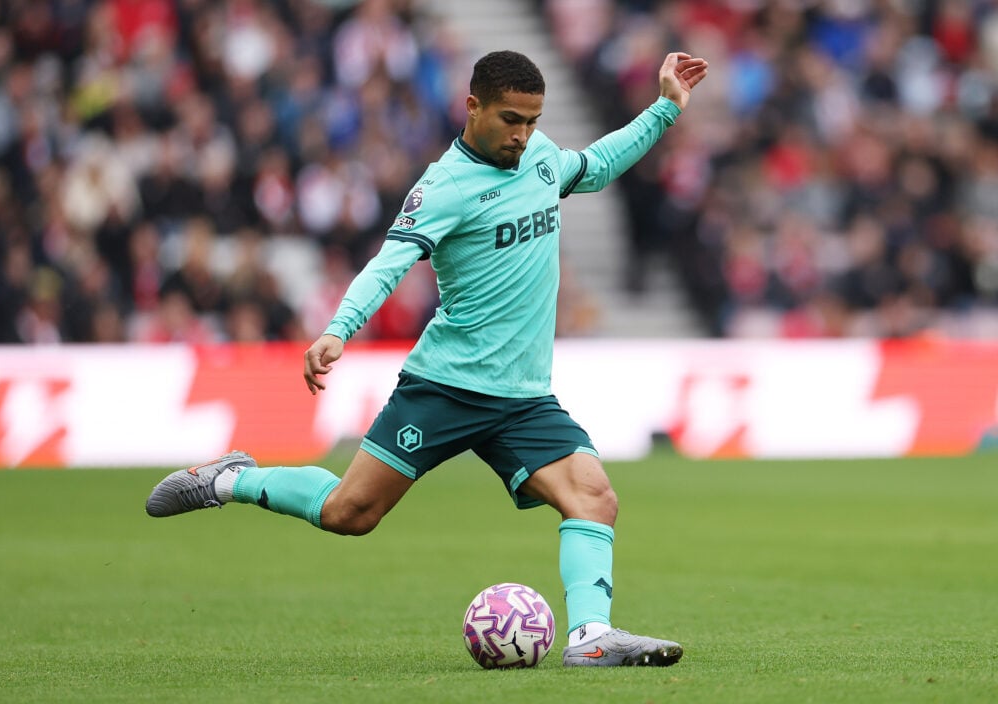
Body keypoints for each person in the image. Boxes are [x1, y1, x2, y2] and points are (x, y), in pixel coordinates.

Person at [146, 49, 709, 667]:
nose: (522, 135)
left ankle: (590, 637)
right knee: (349, 513)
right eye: (510, 119)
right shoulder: (443, 186)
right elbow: (390, 262)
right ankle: (230, 478)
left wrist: (665, 108)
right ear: (473, 108)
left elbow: (598, 165)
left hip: (522, 397)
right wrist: (339, 329)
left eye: (531, 119)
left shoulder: (542, 156)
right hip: (445, 386)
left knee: (595, 497)